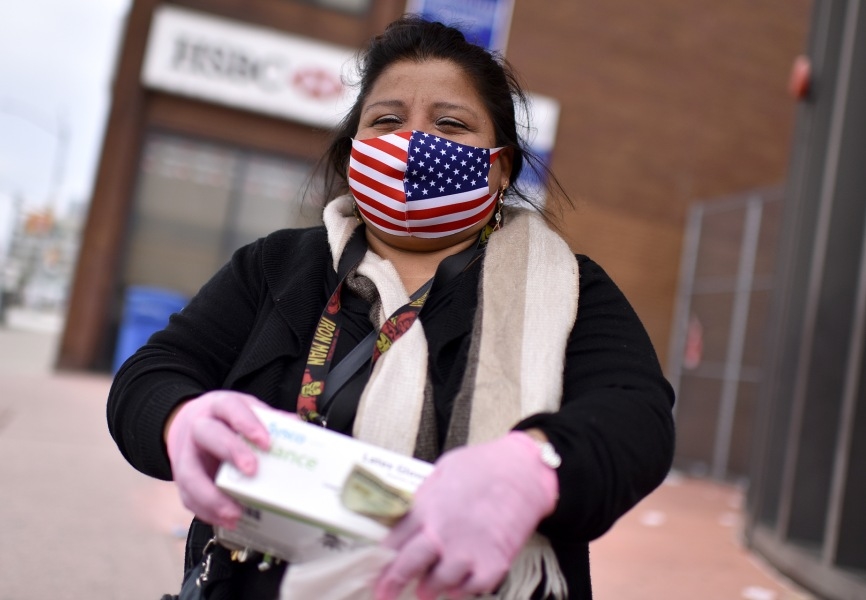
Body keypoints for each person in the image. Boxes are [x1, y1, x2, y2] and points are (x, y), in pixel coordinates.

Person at [107, 15, 675, 600]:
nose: (411, 142)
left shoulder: (572, 290)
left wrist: (531, 467)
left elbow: (637, 418)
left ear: (500, 166)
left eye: (450, 124)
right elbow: (151, 375)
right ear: (353, 151)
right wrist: (182, 421)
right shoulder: (276, 267)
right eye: (386, 120)